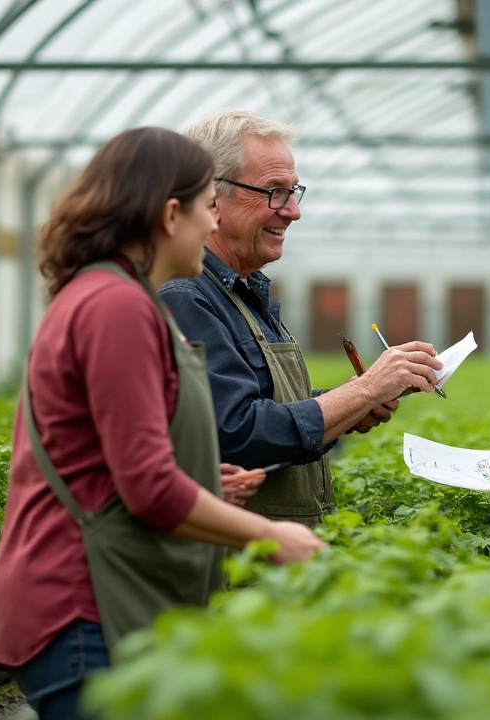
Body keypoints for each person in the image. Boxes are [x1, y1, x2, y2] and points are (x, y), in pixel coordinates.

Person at [0, 127, 325, 720]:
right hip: (82, 605)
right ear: (171, 214)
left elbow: (114, 463)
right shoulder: (116, 306)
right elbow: (145, 486)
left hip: (95, 602)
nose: (210, 224)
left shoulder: (114, 296)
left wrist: (199, 482)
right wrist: (273, 535)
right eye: (204, 208)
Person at [161, 110, 441, 527]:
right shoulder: (185, 296)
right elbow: (236, 436)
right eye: (274, 192)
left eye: (293, 192)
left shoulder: (245, 290)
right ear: (212, 197)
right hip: (236, 570)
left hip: (272, 560)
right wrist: (363, 392)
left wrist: (346, 403)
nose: (293, 211)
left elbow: (266, 413)